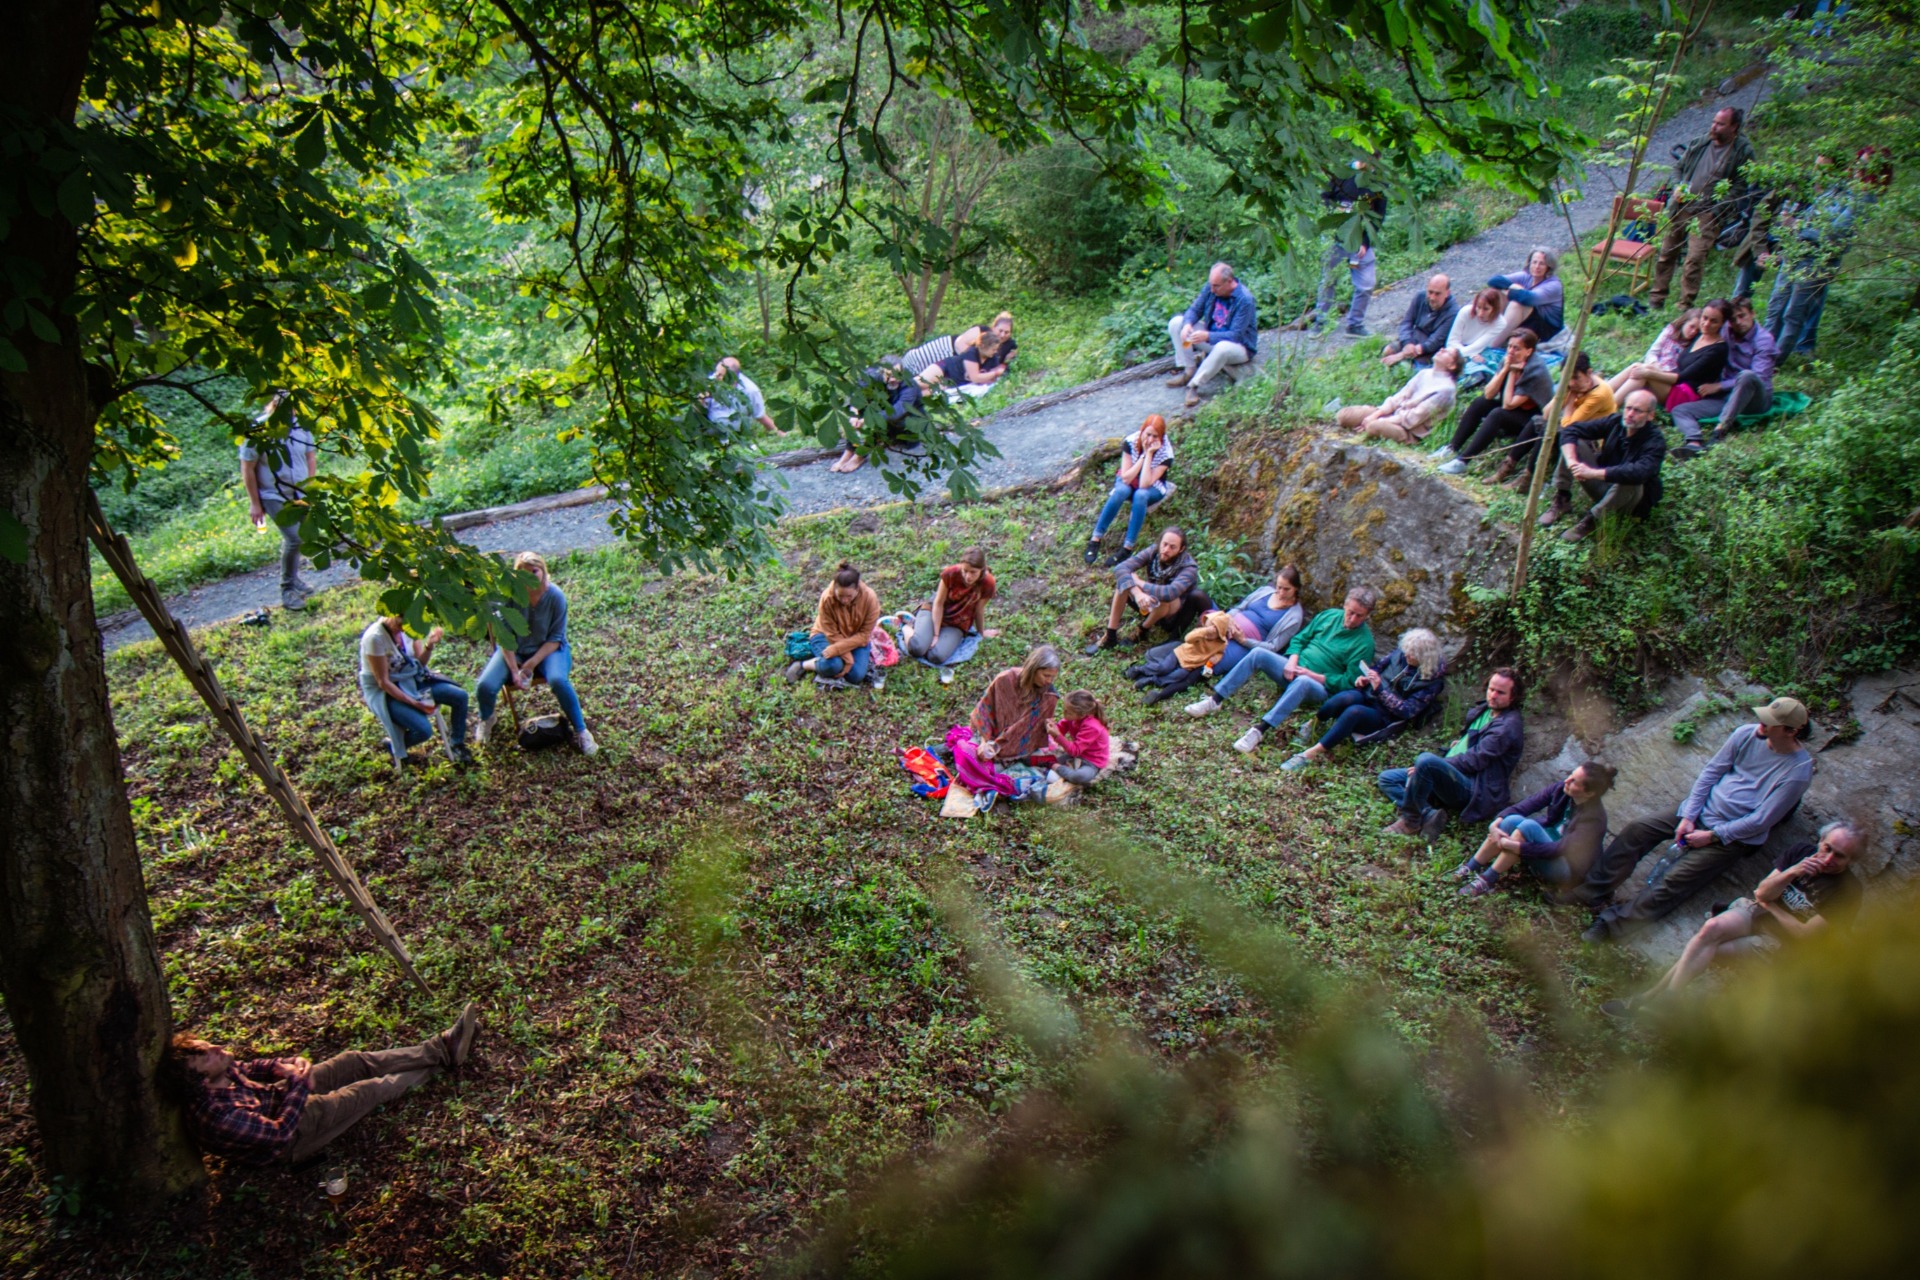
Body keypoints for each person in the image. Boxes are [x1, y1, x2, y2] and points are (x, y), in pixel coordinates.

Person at [1570, 697, 1815, 944]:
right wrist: (1689, 816)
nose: (1761, 723)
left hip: (1732, 838)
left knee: (1675, 880)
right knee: (1638, 830)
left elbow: (1761, 820)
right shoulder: (1746, 734)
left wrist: (1712, 836)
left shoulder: (1798, 771)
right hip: (1700, 811)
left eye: (1770, 722)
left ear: (1791, 731)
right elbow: (1711, 772)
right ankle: (1590, 891)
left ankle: (1610, 926)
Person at [1603, 821, 1864, 1017]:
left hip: (1779, 941)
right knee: (1711, 928)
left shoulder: (1849, 891)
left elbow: (1804, 934)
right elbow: (1762, 892)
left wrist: (1771, 907)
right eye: (1827, 848)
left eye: (1840, 856)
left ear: (1851, 860)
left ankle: (1646, 999)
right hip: (1755, 911)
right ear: (1820, 840)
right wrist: (1792, 871)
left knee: (1711, 948)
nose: (1829, 858)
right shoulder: (1801, 853)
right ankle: (1667, 1000)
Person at [166, 1005, 478, 1166]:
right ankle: (441, 1061)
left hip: (281, 1098)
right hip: (292, 1139)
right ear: (201, 1082)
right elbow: (278, 1133)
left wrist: (283, 1067)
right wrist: (299, 1086)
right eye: (209, 1057)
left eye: (210, 1046)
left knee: (351, 1062)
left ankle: (441, 1048)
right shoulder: (219, 1116)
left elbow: (247, 1068)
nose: (218, 1050)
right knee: (368, 1091)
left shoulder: (219, 1074)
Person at [1184, 585, 1377, 755]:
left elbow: (1348, 681)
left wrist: (1313, 675)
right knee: (1258, 653)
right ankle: (1215, 700)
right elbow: (1300, 639)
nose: (1352, 619)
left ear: (1367, 615)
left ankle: (1260, 730)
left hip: (1316, 686)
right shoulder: (1329, 616)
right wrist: (1292, 660)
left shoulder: (1364, 643)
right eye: (1350, 612)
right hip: (1291, 669)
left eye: (1359, 615)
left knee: (1303, 682)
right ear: (1344, 605)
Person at [1765, 150, 1886, 361]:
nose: (1858, 168)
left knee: (1794, 313)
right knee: (1776, 304)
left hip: (1818, 259)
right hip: (1797, 250)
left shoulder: (1863, 199)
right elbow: (1814, 211)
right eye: (1859, 162)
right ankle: (1762, 353)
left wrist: (1799, 226)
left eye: (1864, 165)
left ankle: (1772, 363)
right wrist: (1797, 224)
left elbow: (1834, 234)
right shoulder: (1841, 189)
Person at [1376, 667, 1524, 837]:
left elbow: (1474, 760)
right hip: (1454, 774)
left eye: (1500, 692)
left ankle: (1411, 821)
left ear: (1513, 697)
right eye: (1491, 689)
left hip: (1474, 787)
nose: (1493, 695)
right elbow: (1473, 741)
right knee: (1388, 779)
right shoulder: (1487, 709)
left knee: (1426, 762)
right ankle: (1428, 814)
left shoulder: (1507, 727)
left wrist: (1435, 766)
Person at [1276, 626, 1445, 774]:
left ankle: (1311, 753)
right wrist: (1366, 678)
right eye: (1406, 650)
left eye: (1412, 655)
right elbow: (1378, 668)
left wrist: (1380, 689)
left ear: (1424, 658)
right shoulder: (1399, 654)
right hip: (1369, 694)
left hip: (1385, 714)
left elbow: (1407, 711)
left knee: (1353, 713)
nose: (1407, 655)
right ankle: (1313, 724)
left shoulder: (1431, 682)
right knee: (1342, 699)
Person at [475, 552, 596, 755]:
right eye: (525, 574)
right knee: (485, 686)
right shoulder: (508, 597)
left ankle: (582, 730)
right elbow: (504, 637)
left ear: (543, 571)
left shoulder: (555, 596)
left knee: (558, 681)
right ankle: (487, 718)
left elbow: (556, 638)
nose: (530, 577)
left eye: (534, 571)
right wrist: (514, 670)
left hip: (550, 649)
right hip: (515, 649)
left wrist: (530, 664)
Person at [1453, 761, 1617, 898]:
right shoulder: (1561, 790)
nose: (1567, 781)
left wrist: (1516, 847)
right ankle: (1470, 867)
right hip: (1546, 844)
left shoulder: (1594, 819)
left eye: (1574, 781)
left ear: (1589, 793)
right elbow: (1525, 806)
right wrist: (1495, 824)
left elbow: (1560, 849)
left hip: (1565, 868)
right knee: (1511, 821)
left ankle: (1487, 880)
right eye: (1570, 775)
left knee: (1528, 827)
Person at [1649, 107, 1757, 311]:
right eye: (1714, 122)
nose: (1714, 127)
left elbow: (1741, 187)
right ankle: (1656, 299)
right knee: (1666, 252)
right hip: (1681, 206)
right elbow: (1678, 168)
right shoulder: (1701, 142)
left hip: (1708, 214)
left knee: (1694, 259)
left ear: (1734, 127)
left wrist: (1717, 210)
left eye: (1720, 124)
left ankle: (1685, 305)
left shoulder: (1743, 151)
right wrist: (1678, 186)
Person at [1537, 388, 1668, 542]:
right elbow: (1571, 430)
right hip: (1604, 486)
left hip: (1628, 501)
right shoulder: (1615, 422)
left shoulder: (1655, 442)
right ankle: (1562, 499)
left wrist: (1592, 473)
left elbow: (1639, 472)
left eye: (1637, 410)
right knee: (1575, 444)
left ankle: (1592, 520)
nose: (1630, 414)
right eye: (1628, 408)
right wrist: (1571, 461)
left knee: (1632, 480)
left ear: (1650, 415)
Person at [357, 613, 472, 769]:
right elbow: (383, 682)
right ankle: (395, 745)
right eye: (400, 625)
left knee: (460, 696)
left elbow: (419, 663)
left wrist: (429, 645)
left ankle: (457, 743)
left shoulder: (411, 628)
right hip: (387, 692)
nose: (404, 630)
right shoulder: (375, 638)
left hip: (413, 682)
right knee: (424, 731)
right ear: (390, 615)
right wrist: (416, 704)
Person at [239, 389, 319, 611]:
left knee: (299, 538)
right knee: (294, 539)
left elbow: (310, 457)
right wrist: (255, 503)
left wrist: (310, 488)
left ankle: (294, 579)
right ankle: (287, 589)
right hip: (273, 494)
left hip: (300, 492)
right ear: (274, 405)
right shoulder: (259, 428)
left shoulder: (302, 426)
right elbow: (247, 467)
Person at [1668, 296, 1777, 458]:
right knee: (1680, 410)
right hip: (1726, 396)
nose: (1738, 322)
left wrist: (1720, 386)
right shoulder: (1725, 331)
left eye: (1742, 316)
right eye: (1733, 319)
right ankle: (1694, 442)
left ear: (1752, 314)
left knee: (1746, 376)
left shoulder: (1763, 340)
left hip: (1755, 398)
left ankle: (1719, 431)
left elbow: (1759, 378)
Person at [1433, 331, 1553, 475]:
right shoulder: (1508, 359)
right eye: (1509, 347)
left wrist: (1513, 373)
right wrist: (1506, 370)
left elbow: (1509, 405)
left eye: (1517, 348)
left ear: (1529, 351)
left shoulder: (1535, 371)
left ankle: (1463, 461)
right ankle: (1451, 448)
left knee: (1498, 414)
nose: (1511, 351)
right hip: (1513, 409)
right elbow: (1489, 394)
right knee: (1480, 403)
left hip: (1531, 422)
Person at [1492, 350, 1617, 486]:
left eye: (1576, 378)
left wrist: (1570, 398)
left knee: (1547, 428)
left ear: (1589, 373)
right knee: (1536, 421)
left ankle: (1527, 478)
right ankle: (1507, 466)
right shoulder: (1572, 386)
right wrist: (1564, 393)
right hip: (1573, 430)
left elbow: (1569, 426)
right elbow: (1546, 413)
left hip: (1589, 441)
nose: (1572, 383)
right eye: (1568, 378)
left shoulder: (1599, 393)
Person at [1083, 527, 1208, 655]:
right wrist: (1138, 593)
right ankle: (1110, 635)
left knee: (1161, 596)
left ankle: (1142, 631)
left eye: (1172, 547)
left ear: (1181, 549)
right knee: (1124, 582)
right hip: (1147, 601)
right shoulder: (1154, 551)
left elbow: (1170, 592)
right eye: (1164, 544)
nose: (1166, 550)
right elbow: (1121, 568)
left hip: (1170, 614)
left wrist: (1138, 582)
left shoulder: (1189, 567)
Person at [1305, 159, 1386, 335]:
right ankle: (1320, 322)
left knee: (1366, 283)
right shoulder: (1341, 173)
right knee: (1328, 280)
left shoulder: (1378, 181)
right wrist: (1334, 211)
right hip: (1335, 238)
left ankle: (1355, 324)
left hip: (1359, 240)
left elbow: (1379, 216)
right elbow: (1325, 196)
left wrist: (1365, 242)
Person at [1082, 415, 1175, 565]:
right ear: (1142, 431)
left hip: (1152, 486)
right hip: (1129, 478)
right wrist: (1143, 456)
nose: (1150, 439)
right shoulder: (1131, 441)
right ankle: (1095, 539)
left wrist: (1149, 454)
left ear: (1161, 437)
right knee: (1120, 491)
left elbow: (1145, 483)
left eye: (1155, 436)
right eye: (1148, 434)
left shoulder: (1166, 453)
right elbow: (1125, 477)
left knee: (1140, 495)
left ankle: (1127, 547)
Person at [1166, 262, 1259, 407]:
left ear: (1229, 282)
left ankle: (1193, 385)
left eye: (1216, 286)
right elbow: (1195, 309)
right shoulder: (1211, 288)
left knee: (1222, 347)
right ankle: (1189, 370)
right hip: (1212, 337)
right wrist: (1187, 325)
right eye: (1211, 285)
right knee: (1176, 323)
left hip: (1239, 348)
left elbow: (1235, 335)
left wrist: (1207, 336)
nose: (1212, 289)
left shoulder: (1245, 300)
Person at [906, 547, 1001, 683]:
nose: (968, 576)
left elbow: (979, 610)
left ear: (982, 570)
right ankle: (907, 627)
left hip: (958, 622)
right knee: (917, 648)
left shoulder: (988, 583)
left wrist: (981, 633)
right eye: (965, 571)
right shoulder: (950, 574)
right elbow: (938, 604)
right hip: (935, 612)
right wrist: (936, 635)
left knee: (936, 656)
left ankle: (925, 634)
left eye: (973, 572)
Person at [1335, 348, 1463, 445]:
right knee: (1343, 415)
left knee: (1373, 427)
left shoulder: (1446, 390)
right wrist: (1376, 414)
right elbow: (1399, 397)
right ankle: (1369, 422)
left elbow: (1415, 417)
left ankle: (1372, 427)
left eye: (1447, 352)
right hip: (1391, 414)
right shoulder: (1424, 373)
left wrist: (1379, 421)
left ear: (1452, 365)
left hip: (1407, 429)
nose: (1442, 349)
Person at [786, 562, 883, 688]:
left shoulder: (870, 599)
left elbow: (864, 635)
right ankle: (803, 665)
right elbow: (830, 633)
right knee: (834, 665)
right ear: (835, 588)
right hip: (826, 636)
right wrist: (847, 657)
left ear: (857, 589)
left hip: (856, 639)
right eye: (840, 596)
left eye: (849, 596)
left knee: (856, 676)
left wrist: (839, 650)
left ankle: (822, 658)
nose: (844, 600)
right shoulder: (827, 598)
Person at [832, 359, 932, 473]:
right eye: (889, 375)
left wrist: (866, 420)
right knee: (865, 409)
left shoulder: (910, 386)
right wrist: (854, 413)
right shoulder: (873, 375)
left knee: (878, 418)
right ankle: (849, 452)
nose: (893, 379)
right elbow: (857, 393)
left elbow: (897, 412)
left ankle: (859, 456)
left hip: (908, 428)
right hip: (887, 420)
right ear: (881, 372)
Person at [970, 644, 1062, 765]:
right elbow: (985, 712)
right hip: (991, 737)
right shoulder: (1005, 680)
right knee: (971, 756)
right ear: (1033, 669)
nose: (1049, 681)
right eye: (1046, 675)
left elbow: (1032, 731)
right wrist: (984, 741)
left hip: (1020, 747)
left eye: (1053, 677)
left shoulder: (1048, 696)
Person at [1608, 307, 1702, 404]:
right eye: (1691, 326)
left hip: (1668, 380)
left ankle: (1609, 406)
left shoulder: (1693, 345)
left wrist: (1655, 371)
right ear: (1684, 322)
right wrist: (1654, 366)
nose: (1693, 332)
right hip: (1655, 367)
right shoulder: (1670, 331)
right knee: (1637, 366)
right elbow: (1653, 352)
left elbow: (1679, 374)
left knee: (1642, 372)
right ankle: (1603, 392)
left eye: (1697, 330)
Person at [1661, 297, 1731, 412]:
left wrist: (1650, 373)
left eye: (1714, 321)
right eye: (1705, 318)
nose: (1706, 324)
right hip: (1675, 383)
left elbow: (1682, 377)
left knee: (1643, 375)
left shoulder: (1718, 349)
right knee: (1637, 368)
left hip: (1686, 394)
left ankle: (1618, 405)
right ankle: (1619, 403)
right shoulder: (1699, 336)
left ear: (1722, 324)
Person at [1487, 248, 1565, 344]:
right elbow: (1493, 280)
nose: (1537, 267)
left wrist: (1511, 292)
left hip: (1546, 330)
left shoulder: (1554, 285)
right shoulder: (1526, 276)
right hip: (1529, 321)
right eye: (1534, 262)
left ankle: (1493, 344)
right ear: (1529, 263)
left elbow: (1529, 299)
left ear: (1549, 267)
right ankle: (1485, 333)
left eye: (1542, 264)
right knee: (1495, 293)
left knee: (1517, 305)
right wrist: (1512, 286)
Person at [1382, 275, 1458, 367]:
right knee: (1387, 351)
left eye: (1437, 294)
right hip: (1414, 337)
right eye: (1430, 292)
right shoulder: (1420, 297)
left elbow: (1435, 341)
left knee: (1412, 368)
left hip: (1431, 349)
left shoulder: (1453, 312)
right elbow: (1407, 322)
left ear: (1447, 293)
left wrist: (1402, 355)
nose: (1432, 297)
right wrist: (1407, 343)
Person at [1048, 689, 1112, 786]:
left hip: (1092, 761)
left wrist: (1057, 735)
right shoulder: (1071, 719)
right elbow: (1060, 729)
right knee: (1040, 759)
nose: (1064, 713)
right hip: (1077, 755)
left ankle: (1054, 766)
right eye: (1064, 709)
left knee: (1079, 777)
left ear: (1081, 714)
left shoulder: (1092, 727)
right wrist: (1050, 728)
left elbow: (1075, 750)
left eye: (1068, 712)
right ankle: (1054, 766)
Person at [701, 356, 778, 434]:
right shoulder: (712, 381)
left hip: (732, 432)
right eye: (716, 372)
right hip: (709, 426)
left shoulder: (750, 391)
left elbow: (760, 415)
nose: (716, 376)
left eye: (720, 375)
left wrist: (777, 431)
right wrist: (702, 397)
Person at [1443, 287, 1511, 361]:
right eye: (1478, 307)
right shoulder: (1465, 312)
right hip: (1462, 351)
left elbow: (1478, 346)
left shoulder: (1500, 322)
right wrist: (1471, 355)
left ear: (1494, 309)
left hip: (1479, 352)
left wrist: (1463, 354)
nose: (1480, 314)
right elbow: (1451, 341)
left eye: (1486, 309)